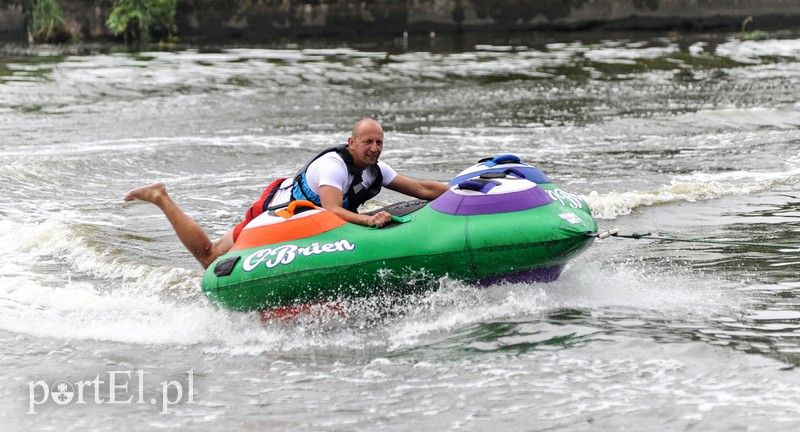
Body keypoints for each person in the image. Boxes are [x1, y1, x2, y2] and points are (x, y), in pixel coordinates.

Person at [123, 118, 450, 269]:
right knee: (210, 257)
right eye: (368, 142)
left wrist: (463, 190)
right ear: (352, 143)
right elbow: (332, 209)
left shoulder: (376, 169)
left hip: (311, 224)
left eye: (379, 142)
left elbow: (422, 189)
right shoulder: (334, 166)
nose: (375, 148)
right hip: (277, 213)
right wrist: (367, 220)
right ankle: (161, 197)